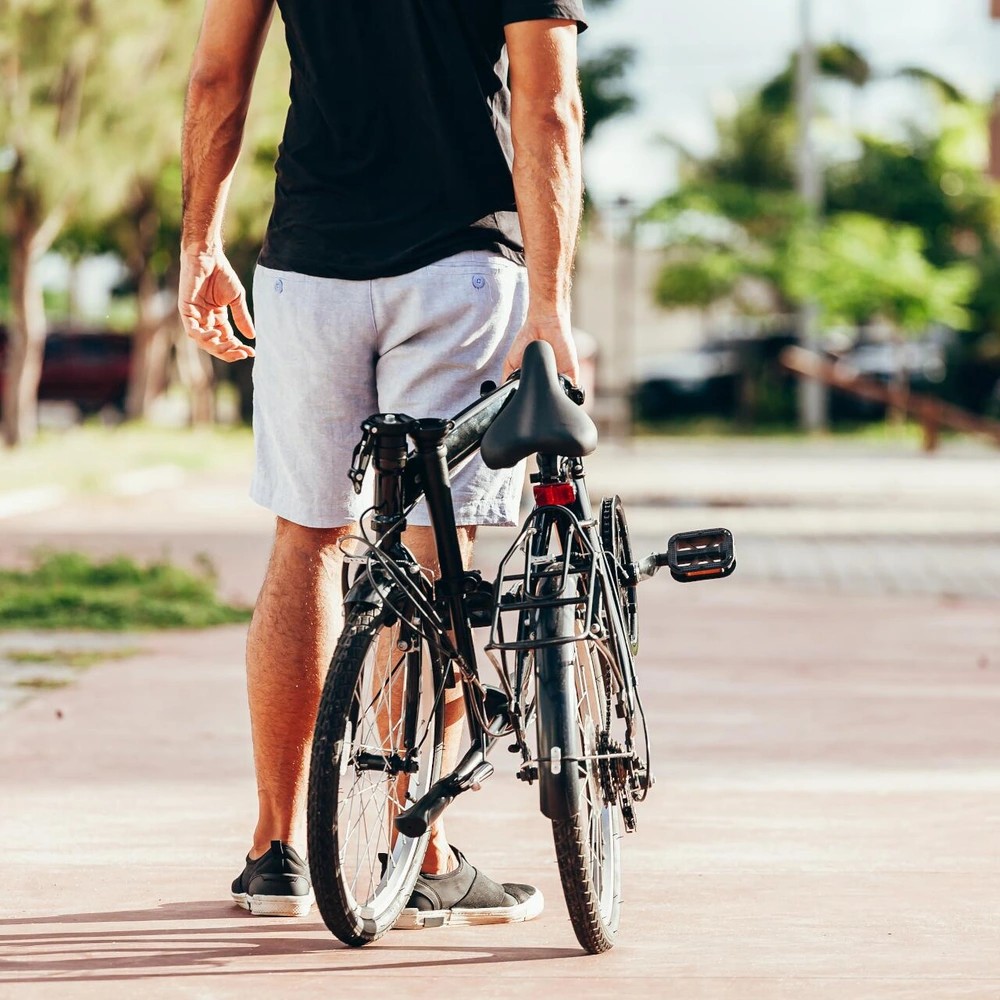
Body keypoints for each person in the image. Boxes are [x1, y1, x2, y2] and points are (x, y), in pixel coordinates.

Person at [178, 0, 587, 924]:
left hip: (310, 266)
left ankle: (277, 852)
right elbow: (549, 104)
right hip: (461, 268)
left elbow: (215, 77)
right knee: (435, 548)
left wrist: (200, 244)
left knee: (306, 537)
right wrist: (550, 306)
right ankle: (422, 852)